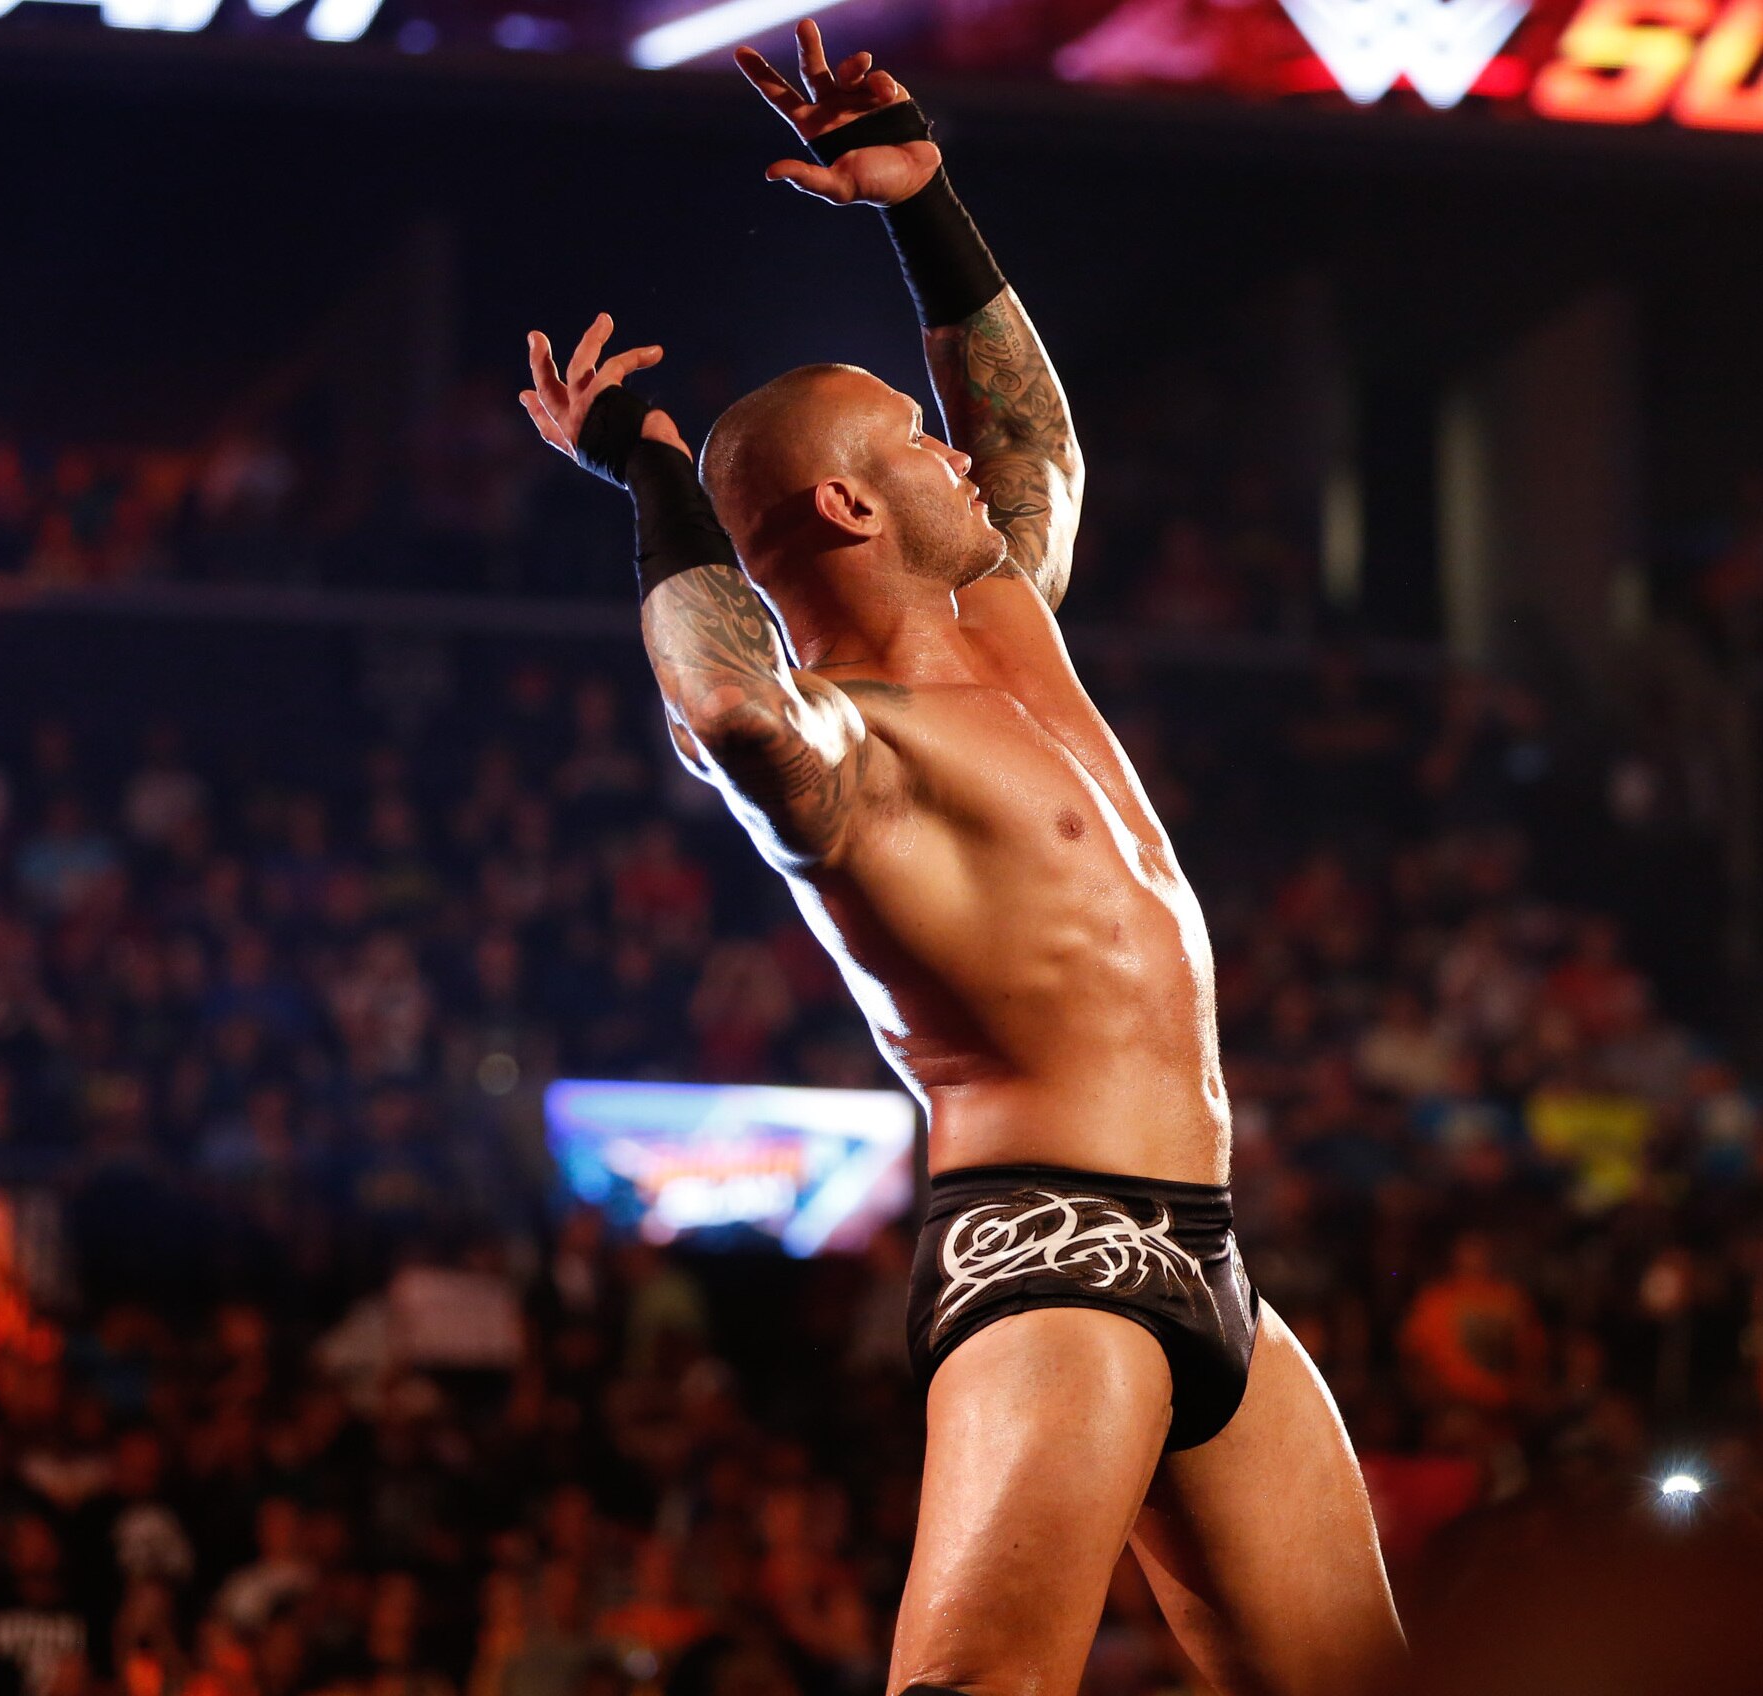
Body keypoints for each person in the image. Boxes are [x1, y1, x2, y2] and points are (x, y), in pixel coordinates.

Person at [513, 22, 1402, 1696]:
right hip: (1044, 1243)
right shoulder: (865, 750)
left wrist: (927, 206)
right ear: (850, 512)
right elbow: (728, 706)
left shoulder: (1007, 628)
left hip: (1202, 1244)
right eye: (910, 443)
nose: (953, 452)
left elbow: (1037, 451)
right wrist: (650, 480)